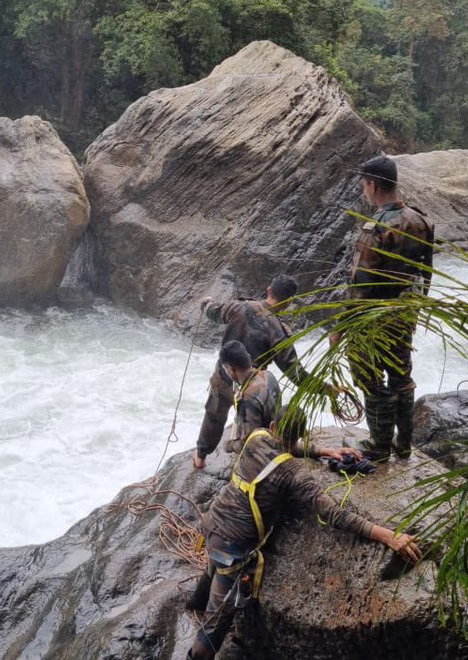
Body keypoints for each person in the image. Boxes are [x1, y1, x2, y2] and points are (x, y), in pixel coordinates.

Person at [186, 405, 422, 659]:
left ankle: (194, 605)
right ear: (301, 433)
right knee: (214, 626)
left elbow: (284, 447)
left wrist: (325, 451)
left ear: (273, 426)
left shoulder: (256, 436)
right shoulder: (293, 474)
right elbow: (335, 514)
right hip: (232, 547)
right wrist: (388, 535)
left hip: (212, 523)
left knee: (211, 570)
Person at [330, 155, 434, 462]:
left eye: (364, 185)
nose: (364, 190)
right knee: (401, 374)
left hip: (373, 319)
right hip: (404, 313)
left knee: (368, 376)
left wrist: (341, 327)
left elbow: (360, 284)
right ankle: (403, 444)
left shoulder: (375, 229)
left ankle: (378, 446)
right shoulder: (422, 221)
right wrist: (414, 309)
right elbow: (425, 274)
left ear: (372, 186)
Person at [196, 275, 336, 466]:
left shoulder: (238, 306)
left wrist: (206, 303)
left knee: (214, 415)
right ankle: (262, 460)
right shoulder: (278, 332)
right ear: (289, 302)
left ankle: (201, 457)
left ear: (269, 290)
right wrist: (327, 389)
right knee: (263, 429)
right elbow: (297, 375)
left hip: (224, 376)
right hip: (254, 389)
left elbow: (214, 311)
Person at [194, 341, 281, 468]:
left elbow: (250, 446)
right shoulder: (269, 375)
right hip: (275, 435)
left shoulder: (246, 400)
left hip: (264, 453)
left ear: (231, 369)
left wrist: (229, 445)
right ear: (248, 358)